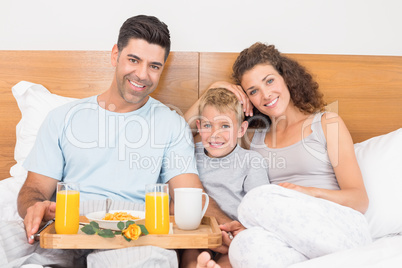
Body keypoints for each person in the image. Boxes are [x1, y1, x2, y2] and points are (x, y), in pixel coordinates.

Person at [0, 15, 228, 268]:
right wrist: (33, 207)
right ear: (114, 55)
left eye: (154, 66)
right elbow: (34, 189)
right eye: (133, 60)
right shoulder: (61, 118)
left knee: (152, 261)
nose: (142, 74)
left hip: (131, 235)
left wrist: (232, 227)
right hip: (65, 226)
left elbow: (189, 195)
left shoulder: (171, 124)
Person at [196, 42, 372, 268]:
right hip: (289, 237)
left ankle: (353, 258)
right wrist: (211, 91)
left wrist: (306, 193)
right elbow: (183, 140)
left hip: (339, 228)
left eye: (269, 81)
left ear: (286, 77)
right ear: (248, 100)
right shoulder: (256, 140)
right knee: (244, 244)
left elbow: (360, 200)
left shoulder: (327, 124)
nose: (266, 94)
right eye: (253, 91)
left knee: (255, 201)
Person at [181, 88, 270, 267]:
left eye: (225, 126)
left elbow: (259, 208)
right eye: (207, 125)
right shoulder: (189, 155)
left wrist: (240, 231)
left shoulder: (250, 161)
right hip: (197, 231)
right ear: (198, 126)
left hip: (232, 233)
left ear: (241, 129)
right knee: (189, 252)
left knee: (234, 255)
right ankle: (198, 263)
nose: (215, 134)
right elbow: (174, 138)